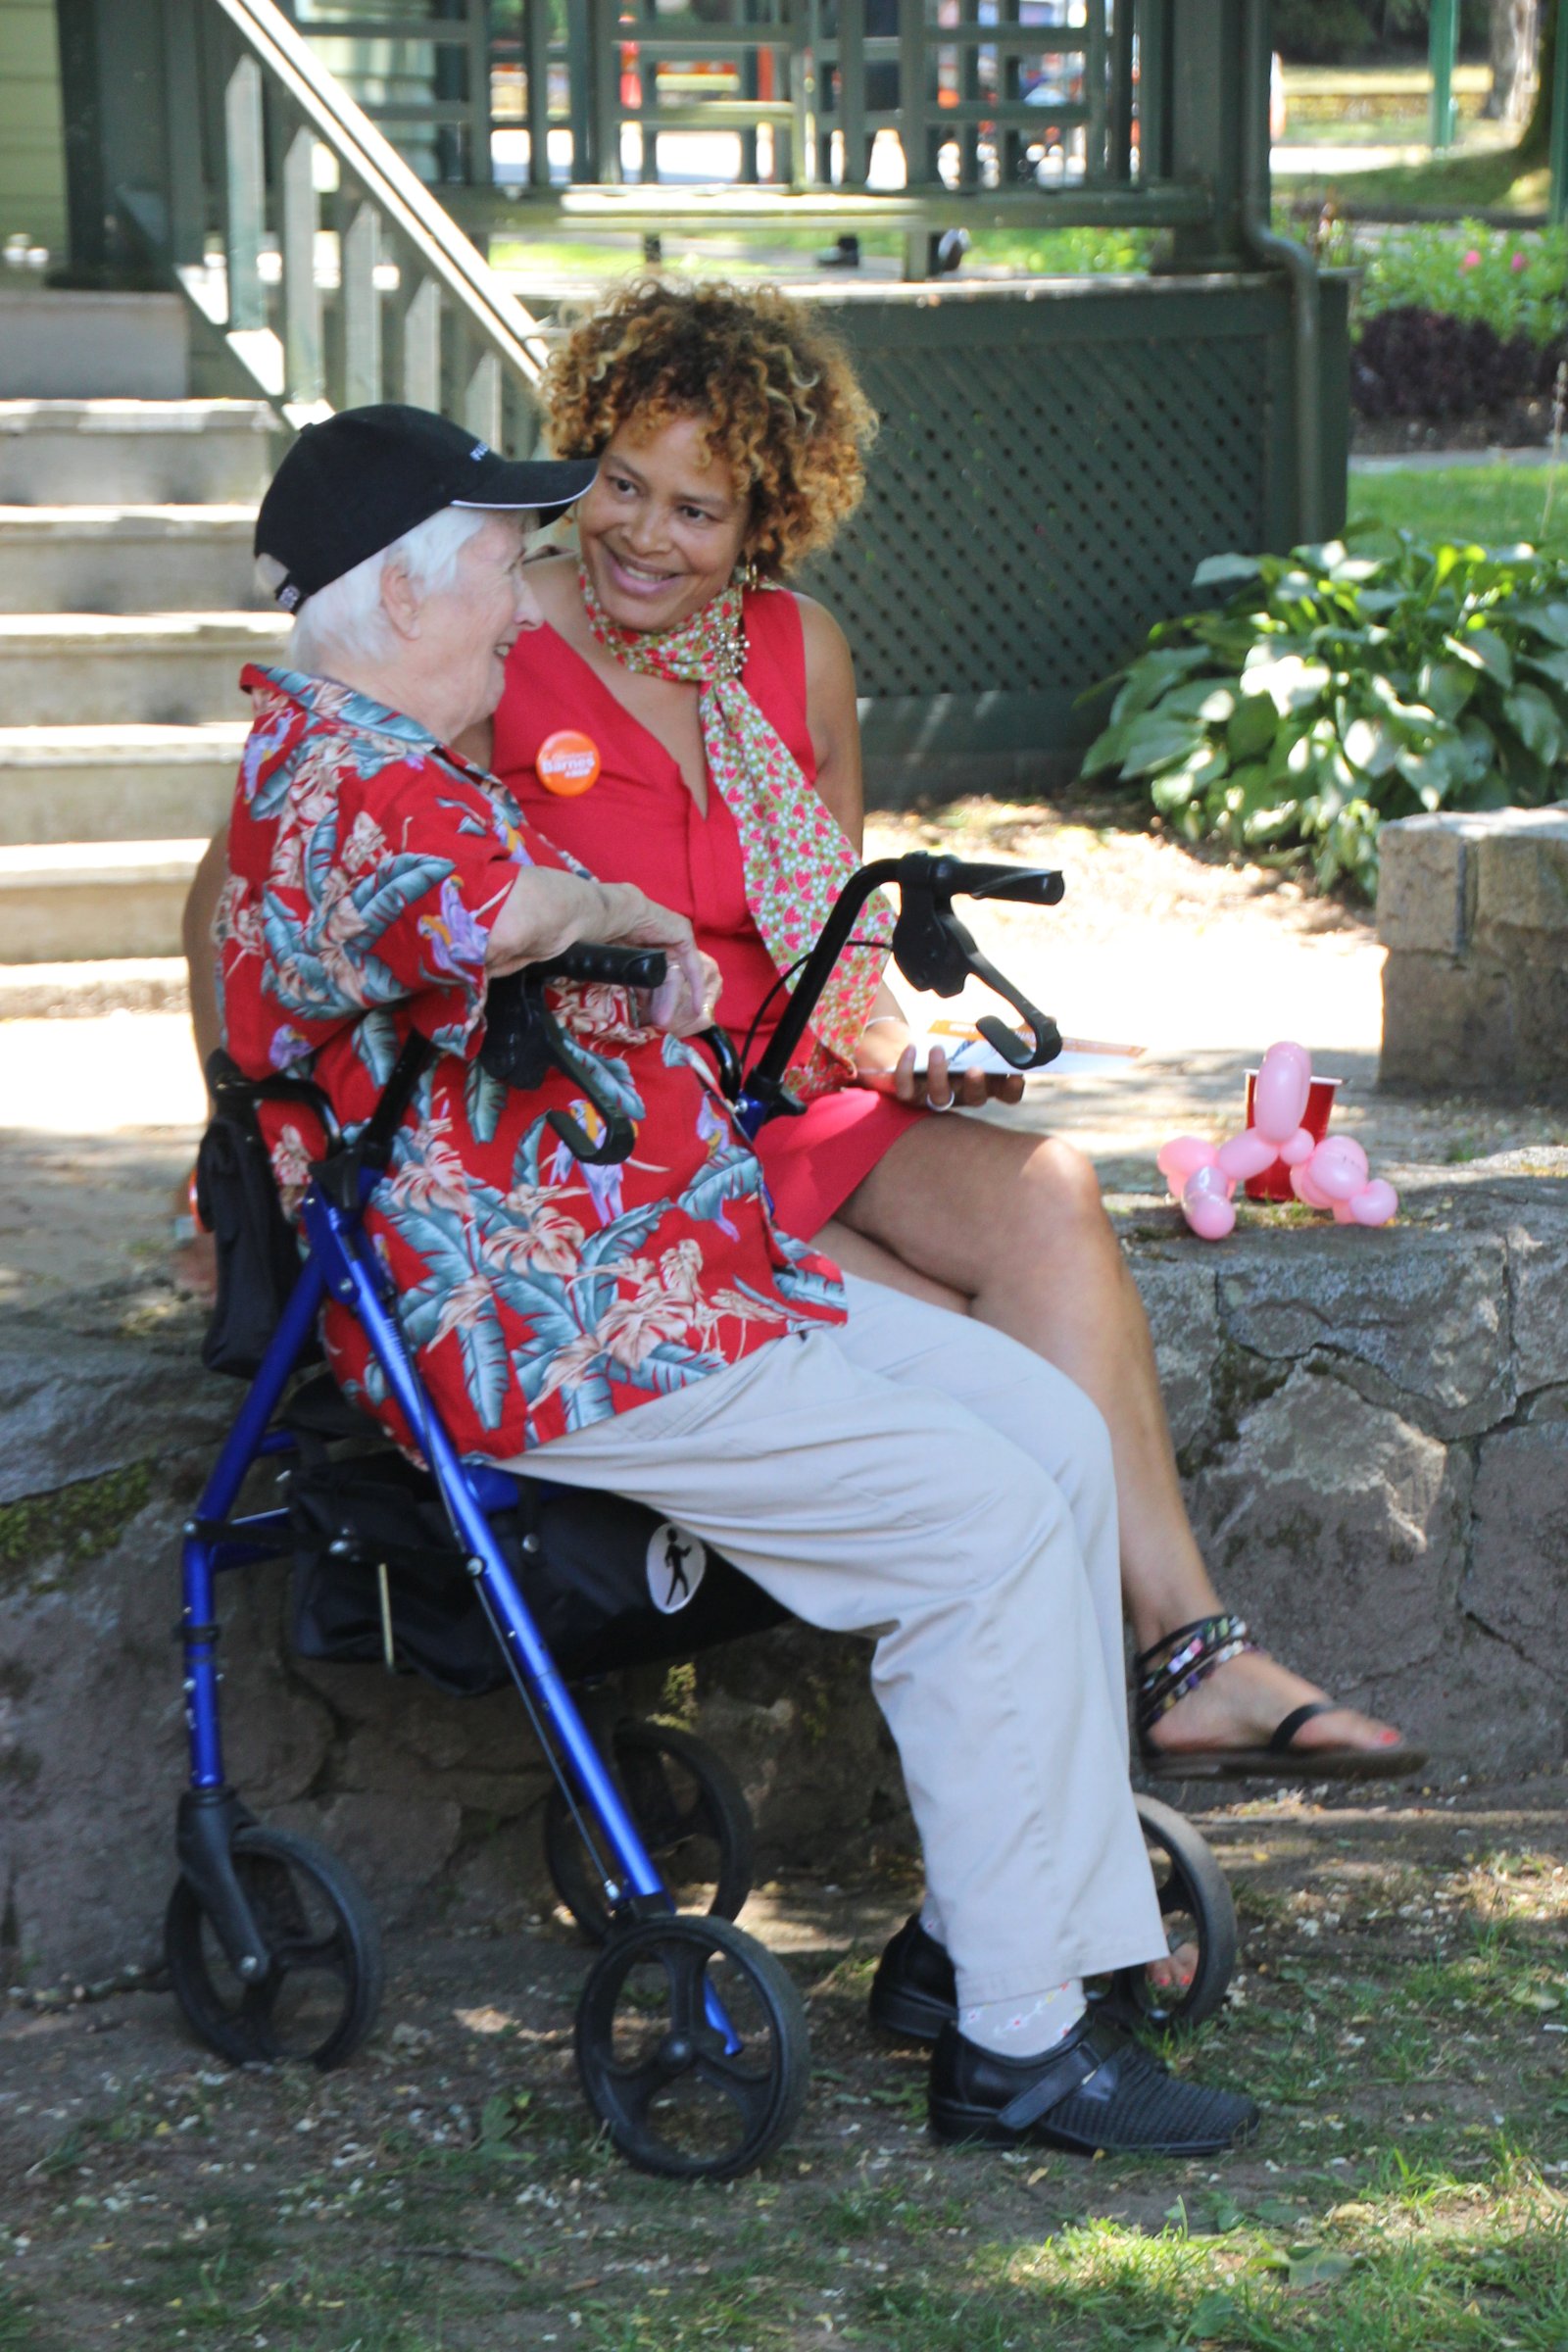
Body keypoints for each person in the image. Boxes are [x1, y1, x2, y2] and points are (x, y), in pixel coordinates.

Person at [216, 399, 1258, 2158]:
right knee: (981, 1521)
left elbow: (492, 947)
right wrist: (619, 918)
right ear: (398, 594)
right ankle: (1018, 2050)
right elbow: (488, 920)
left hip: (684, 1273)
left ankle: (981, 1946)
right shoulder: (334, 778)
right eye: (504, 563)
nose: (528, 594)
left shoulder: (404, 760)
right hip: (564, 1330)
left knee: (1048, 1434)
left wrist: (626, 956)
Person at [471, 277, 1422, 1785]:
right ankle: (1067, 1775)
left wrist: (905, 1040)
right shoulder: (495, 633)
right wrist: (237, 1141)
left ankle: (1195, 1653)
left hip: (787, 1081)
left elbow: (835, 939)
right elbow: (297, 858)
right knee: (969, 1359)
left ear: (766, 518)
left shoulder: (798, 651)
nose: (644, 535)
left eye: (697, 510)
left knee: (1046, 1189)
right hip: (623, 1132)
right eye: (621, 484)